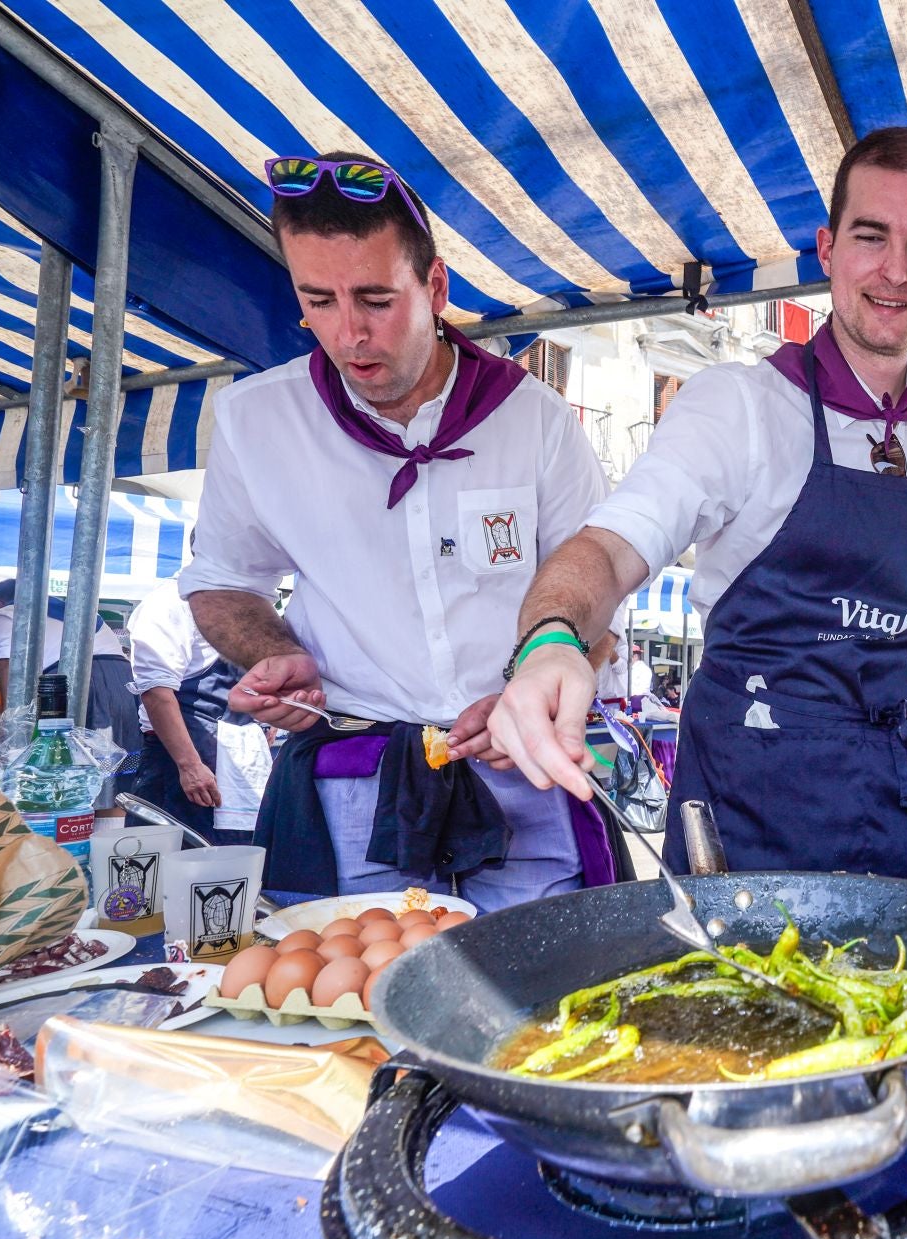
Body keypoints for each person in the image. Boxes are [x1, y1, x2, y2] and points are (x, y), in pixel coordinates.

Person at [488, 127, 907, 893]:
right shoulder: (739, 408)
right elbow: (608, 550)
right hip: (758, 815)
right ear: (826, 249)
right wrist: (552, 641)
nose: (896, 271)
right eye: (871, 237)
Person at [181, 150, 610, 909]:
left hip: (521, 768)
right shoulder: (257, 419)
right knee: (360, 1001)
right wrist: (278, 655)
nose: (349, 334)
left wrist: (526, 693)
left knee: (544, 1000)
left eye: (376, 300)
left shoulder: (533, 418)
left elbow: (600, 604)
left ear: (435, 287)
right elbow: (219, 582)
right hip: (356, 775)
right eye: (318, 300)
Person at [126, 571, 272, 843]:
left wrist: (264, 720)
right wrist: (190, 765)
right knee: (173, 866)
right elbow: (157, 692)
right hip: (180, 763)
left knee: (231, 868)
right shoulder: (170, 602)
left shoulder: (239, 601)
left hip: (232, 759)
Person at [0, 578, 142, 810]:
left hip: (73, 682)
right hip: (121, 681)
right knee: (114, 770)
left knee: (61, 768)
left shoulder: (3, 614)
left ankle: (69, 830)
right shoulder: (81, 611)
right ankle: (109, 833)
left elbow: (9, 665)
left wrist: (12, 722)